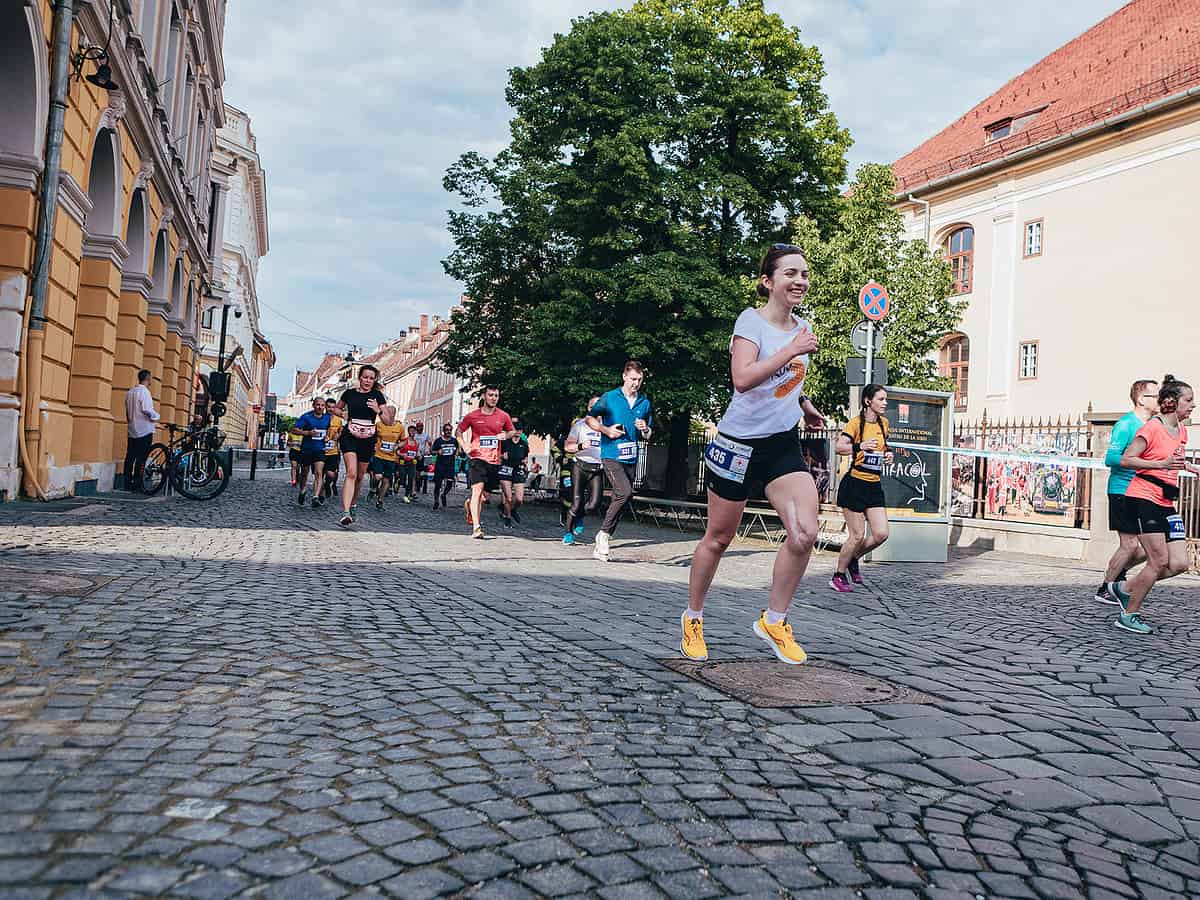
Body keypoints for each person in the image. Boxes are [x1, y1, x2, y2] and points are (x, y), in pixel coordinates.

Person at [682, 243, 825, 666]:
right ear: (768, 282)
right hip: (736, 445)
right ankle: (693, 617)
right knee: (720, 538)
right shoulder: (751, 322)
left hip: (781, 444)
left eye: (803, 273)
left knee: (805, 533)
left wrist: (804, 404)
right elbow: (743, 379)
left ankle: (774, 620)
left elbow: (781, 383)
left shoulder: (803, 326)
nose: (800, 280)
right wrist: (791, 351)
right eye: (790, 274)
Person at [1115, 375, 1197, 635]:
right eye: (1189, 400)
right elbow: (1126, 459)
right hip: (1142, 498)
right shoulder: (1152, 427)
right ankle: (1129, 614)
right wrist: (1159, 465)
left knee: (1179, 564)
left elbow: (1172, 458)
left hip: (1165, 501)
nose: (1193, 405)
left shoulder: (1182, 430)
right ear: (1172, 402)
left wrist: (1188, 466)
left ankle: (1126, 588)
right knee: (1159, 560)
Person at [1096, 379, 1159, 604]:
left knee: (1155, 549)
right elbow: (1111, 458)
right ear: (1142, 399)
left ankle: (1116, 575)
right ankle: (1105, 589)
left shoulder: (1153, 425)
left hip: (1144, 493)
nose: (1161, 399)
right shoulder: (1126, 425)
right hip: (1122, 491)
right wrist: (1145, 465)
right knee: (1130, 545)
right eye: (1156, 395)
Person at [586, 362, 653, 562]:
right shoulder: (610, 398)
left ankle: (602, 539)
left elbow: (649, 433)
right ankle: (604, 535)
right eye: (633, 379)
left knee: (623, 497)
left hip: (631, 456)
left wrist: (645, 429)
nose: (636, 383)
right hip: (611, 454)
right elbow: (590, 418)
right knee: (625, 492)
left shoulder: (644, 402)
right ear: (624, 376)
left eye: (640, 380)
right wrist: (606, 431)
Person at [831, 384, 894, 591]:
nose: (885, 403)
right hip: (855, 485)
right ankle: (837, 576)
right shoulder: (856, 424)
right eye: (881, 399)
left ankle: (853, 557)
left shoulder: (884, 424)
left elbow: (883, 447)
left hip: (874, 485)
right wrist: (859, 446)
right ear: (868, 401)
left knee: (881, 534)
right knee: (857, 535)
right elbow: (839, 447)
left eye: (885, 399)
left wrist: (888, 454)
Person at [332, 365, 395, 528]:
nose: (367, 380)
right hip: (350, 435)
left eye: (371, 378)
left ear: (374, 380)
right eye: (365, 377)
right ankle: (345, 512)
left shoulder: (377, 396)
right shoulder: (349, 394)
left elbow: (388, 421)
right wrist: (342, 414)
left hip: (367, 437)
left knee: (360, 476)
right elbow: (336, 409)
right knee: (351, 473)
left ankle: (353, 505)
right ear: (359, 377)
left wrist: (378, 410)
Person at [457, 387, 516, 539]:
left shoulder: (503, 416)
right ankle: (477, 527)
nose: (493, 398)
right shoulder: (473, 416)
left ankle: (470, 505)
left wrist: (506, 435)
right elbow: (459, 431)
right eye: (490, 395)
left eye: (496, 395)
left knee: (485, 497)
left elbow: (512, 431)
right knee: (477, 491)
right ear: (484, 396)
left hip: (494, 461)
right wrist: (464, 445)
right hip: (477, 458)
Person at [562, 397, 604, 545]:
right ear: (589, 408)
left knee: (594, 504)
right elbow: (567, 447)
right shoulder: (579, 425)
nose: (597, 409)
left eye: (599, 406)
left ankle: (579, 516)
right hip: (580, 467)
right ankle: (568, 533)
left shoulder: (606, 426)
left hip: (597, 468)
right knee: (576, 502)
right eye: (593, 406)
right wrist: (580, 446)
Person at [123, 369, 160, 492]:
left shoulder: (130, 392)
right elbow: (146, 409)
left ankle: (127, 483)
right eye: (151, 378)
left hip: (132, 429)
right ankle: (138, 483)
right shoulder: (144, 392)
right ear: (148, 378)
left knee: (130, 457)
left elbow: (127, 412)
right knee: (142, 458)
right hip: (144, 429)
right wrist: (156, 416)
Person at [293, 397, 331, 508]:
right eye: (318, 405)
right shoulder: (306, 417)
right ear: (313, 405)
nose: (320, 407)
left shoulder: (327, 418)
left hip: (320, 449)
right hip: (307, 449)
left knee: (319, 473)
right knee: (304, 473)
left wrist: (328, 437)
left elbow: (328, 429)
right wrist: (308, 432)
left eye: (322, 405)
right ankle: (303, 490)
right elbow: (295, 429)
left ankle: (315, 496)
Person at [499, 419, 530, 527]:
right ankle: (507, 518)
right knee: (508, 497)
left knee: (519, 499)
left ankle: (512, 510)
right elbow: (497, 454)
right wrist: (502, 456)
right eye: (516, 429)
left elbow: (526, 456)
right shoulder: (505, 442)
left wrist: (525, 461)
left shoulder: (523, 444)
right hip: (506, 469)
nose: (518, 432)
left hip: (518, 470)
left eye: (520, 430)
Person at [369, 416, 406, 511]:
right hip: (379, 456)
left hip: (391, 458)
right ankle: (373, 488)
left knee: (386, 481)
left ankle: (380, 501)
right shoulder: (379, 425)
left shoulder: (400, 427)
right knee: (378, 476)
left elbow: (404, 441)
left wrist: (398, 446)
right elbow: (371, 435)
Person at [431, 424, 458, 509]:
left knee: (450, 483)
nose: (448, 431)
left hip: (450, 465)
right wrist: (437, 452)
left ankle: (444, 494)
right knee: (438, 484)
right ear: (443, 431)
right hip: (440, 465)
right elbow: (431, 451)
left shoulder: (454, 441)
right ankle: (436, 501)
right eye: (447, 430)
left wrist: (456, 454)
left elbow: (457, 448)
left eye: (450, 430)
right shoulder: (438, 441)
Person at [322, 396, 342, 501]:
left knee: (331, 473)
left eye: (333, 407)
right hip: (321, 451)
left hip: (333, 451)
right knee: (319, 473)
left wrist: (338, 436)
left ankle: (327, 484)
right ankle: (319, 495)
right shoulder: (321, 418)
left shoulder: (338, 420)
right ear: (325, 407)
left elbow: (340, 432)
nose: (331, 409)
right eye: (329, 407)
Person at [398, 428, 421, 503]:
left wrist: (419, 456)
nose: (412, 432)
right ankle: (399, 481)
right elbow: (397, 450)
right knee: (403, 477)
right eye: (411, 431)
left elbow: (416, 452)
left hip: (412, 463)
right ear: (408, 432)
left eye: (414, 431)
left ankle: (406, 495)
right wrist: (402, 454)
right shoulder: (405, 441)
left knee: (411, 479)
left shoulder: (416, 443)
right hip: (403, 462)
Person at [410, 422, 433, 496]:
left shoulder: (426, 435)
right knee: (416, 472)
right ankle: (417, 485)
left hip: (425, 455)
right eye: (418, 427)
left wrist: (429, 450)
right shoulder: (414, 435)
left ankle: (425, 486)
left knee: (425, 472)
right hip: (416, 455)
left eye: (421, 427)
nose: (420, 428)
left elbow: (430, 443)